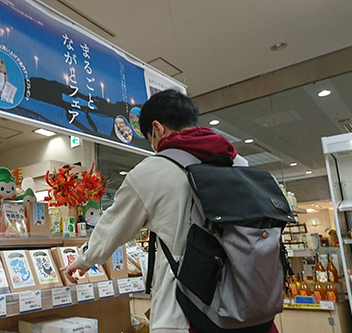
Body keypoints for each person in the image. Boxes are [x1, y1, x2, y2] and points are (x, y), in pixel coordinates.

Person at [62, 89, 239, 332]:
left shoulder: (152, 171)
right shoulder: (236, 162)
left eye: (150, 139)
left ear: (157, 129)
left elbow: (112, 226)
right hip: (243, 304)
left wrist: (82, 261)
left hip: (185, 313)